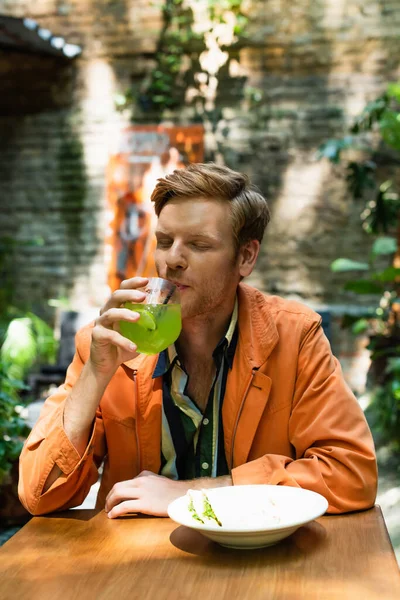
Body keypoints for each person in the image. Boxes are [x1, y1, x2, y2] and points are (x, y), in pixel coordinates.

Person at [18, 163, 377, 518]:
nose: (172, 259)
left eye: (199, 244)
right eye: (164, 242)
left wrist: (192, 493)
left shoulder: (294, 337)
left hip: (260, 560)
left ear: (246, 257)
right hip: (137, 563)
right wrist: (96, 374)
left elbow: (351, 474)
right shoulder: (110, 345)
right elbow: (39, 493)